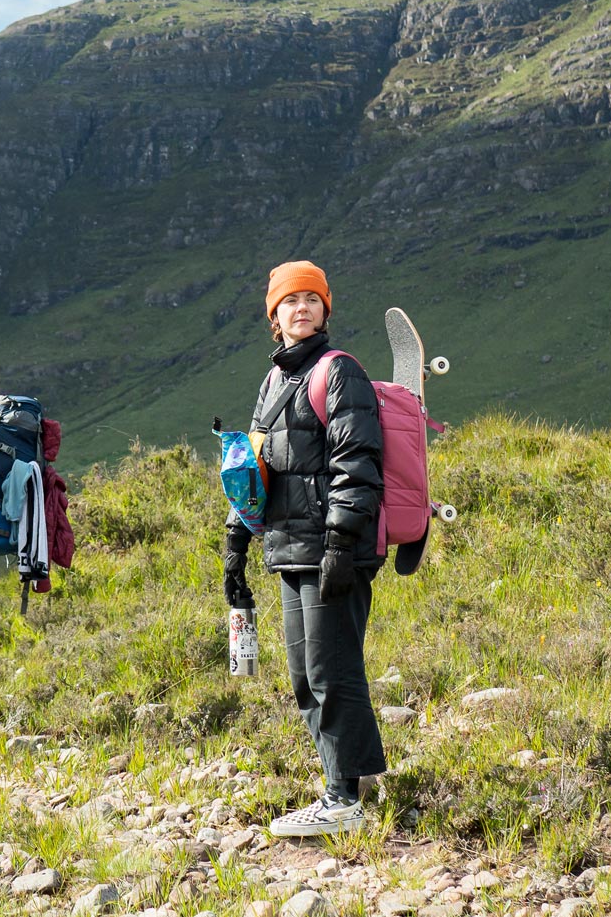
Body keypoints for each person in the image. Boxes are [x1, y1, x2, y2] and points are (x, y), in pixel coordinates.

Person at [224, 260, 386, 837]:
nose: (301, 309)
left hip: (332, 549)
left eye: (311, 300)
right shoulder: (272, 384)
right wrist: (236, 544)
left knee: (330, 671)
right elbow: (250, 470)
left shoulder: (338, 372)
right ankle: (352, 786)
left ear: (325, 310)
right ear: (274, 317)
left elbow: (358, 463)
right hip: (289, 549)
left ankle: (344, 799)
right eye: (289, 302)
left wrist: (342, 542)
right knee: (304, 675)